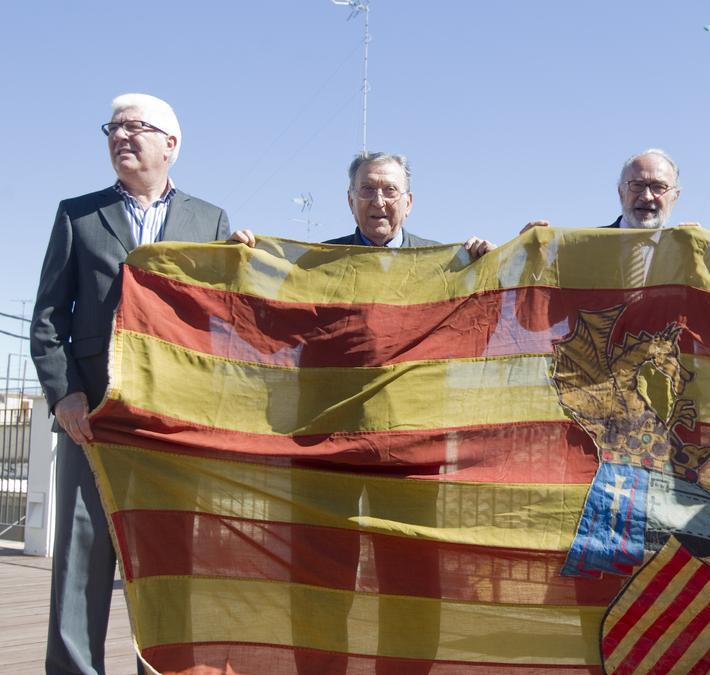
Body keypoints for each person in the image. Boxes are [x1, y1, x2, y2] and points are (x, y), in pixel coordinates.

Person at [31, 93, 230, 674]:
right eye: (112, 128)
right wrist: (64, 392)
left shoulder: (209, 220)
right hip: (90, 416)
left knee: (167, 561)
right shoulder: (78, 214)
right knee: (80, 560)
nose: (121, 136)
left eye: (135, 127)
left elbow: (222, 317)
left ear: (171, 144)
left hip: (171, 421)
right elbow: (49, 318)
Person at [232, 152, 494, 256]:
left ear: (409, 203)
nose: (378, 201)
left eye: (390, 190)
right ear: (350, 201)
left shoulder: (442, 262)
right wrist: (238, 261)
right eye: (367, 190)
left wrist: (492, 267)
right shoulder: (316, 262)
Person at [522, 148, 698, 231]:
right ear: (621, 192)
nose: (646, 196)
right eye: (637, 185)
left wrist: (709, 257)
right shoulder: (581, 249)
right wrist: (517, 259)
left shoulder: (688, 255)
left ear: (675, 197)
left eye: (659, 187)